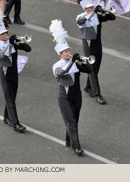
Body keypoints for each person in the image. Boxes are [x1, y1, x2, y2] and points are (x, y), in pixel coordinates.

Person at [50, 19, 92, 156]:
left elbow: (89, 70)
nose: (68, 52)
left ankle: (69, 140)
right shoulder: (57, 65)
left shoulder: (75, 63)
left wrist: (82, 61)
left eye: (69, 50)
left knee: (75, 120)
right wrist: (72, 61)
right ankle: (76, 146)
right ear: (60, 54)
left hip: (76, 95)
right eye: (66, 51)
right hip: (65, 97)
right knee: (72, 122)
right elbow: (61, 73)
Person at [0, 1, 31, 132]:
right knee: (10, 99)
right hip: (5, 74)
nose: (6, 35)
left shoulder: (11, 42)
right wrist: (10, 44)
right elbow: (1, 56)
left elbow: (28, 49)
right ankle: (15, 123)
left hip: (13, 73)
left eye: (7, 33)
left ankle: (6, 117)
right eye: (4, 34)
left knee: (12, 96)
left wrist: (19, 42)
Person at [76, 0, 116, 105]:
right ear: (84, 8)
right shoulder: (81, 17)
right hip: (88, 44)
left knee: (97, 65)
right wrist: (93, 13)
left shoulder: (97, 16)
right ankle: (96, 93)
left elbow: (112, 17)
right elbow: (82, 21)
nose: (91, 9)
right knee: (92, 66)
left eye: (92, 7)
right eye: (89, 8)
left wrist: (104, 11)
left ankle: (88, 86)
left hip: (97, 43)